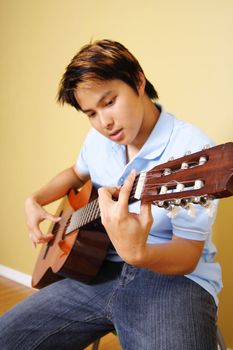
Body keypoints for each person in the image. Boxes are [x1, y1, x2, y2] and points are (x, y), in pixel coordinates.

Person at [0, 39, 222, 349]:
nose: (104, 123)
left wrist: (138, 253)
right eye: (91, 113)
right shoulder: (98, 139)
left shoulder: (191, 150)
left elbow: (188, 254)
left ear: (139, 81)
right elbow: (75, 174)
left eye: (109, 102)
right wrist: (34, 199)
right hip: (99, 269)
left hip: (175, 279)